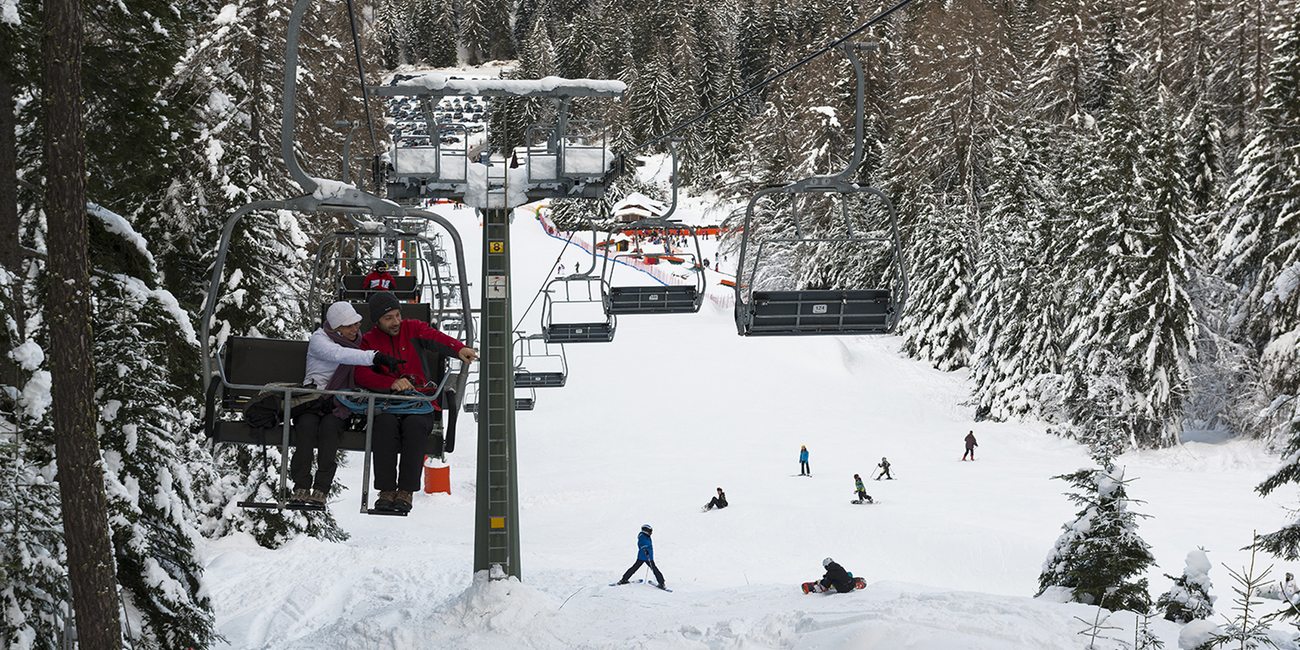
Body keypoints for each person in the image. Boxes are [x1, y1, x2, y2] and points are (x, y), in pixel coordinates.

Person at [355, 291, 478, 513]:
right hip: (388, 403)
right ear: (377, 321)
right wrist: (391, 383)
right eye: (388, 318)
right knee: (384, 426)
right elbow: (360, 374)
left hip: (419, 401)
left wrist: (458, 348)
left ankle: (406, 491)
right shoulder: (369, 341)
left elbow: (436, 338)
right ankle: (385, 490)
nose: (396, 322)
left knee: (414, 427)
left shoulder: (412, 328)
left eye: (397, 315)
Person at [291, 302, 403, 506]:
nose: (355, 330)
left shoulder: (358, 341)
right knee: (306, 428)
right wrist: (374, 357)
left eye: (357, 324)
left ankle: (321, 489)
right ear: (335, 328)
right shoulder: (320, 340)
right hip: (313, 401)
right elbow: (338, 354)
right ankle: (301, 485)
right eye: (348, 326)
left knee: (329, 430)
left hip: (340, 404)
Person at [618, 524, 666, 589]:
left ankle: (624, 579)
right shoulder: (643, 538)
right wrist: (645, 550)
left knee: (634, 567)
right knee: (654, 569)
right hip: (646, 556)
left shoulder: (645, 536)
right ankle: (661, 583)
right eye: (650, 531)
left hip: (642, 556)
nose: (651, 533)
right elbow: (641, 545)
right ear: (646, 531)